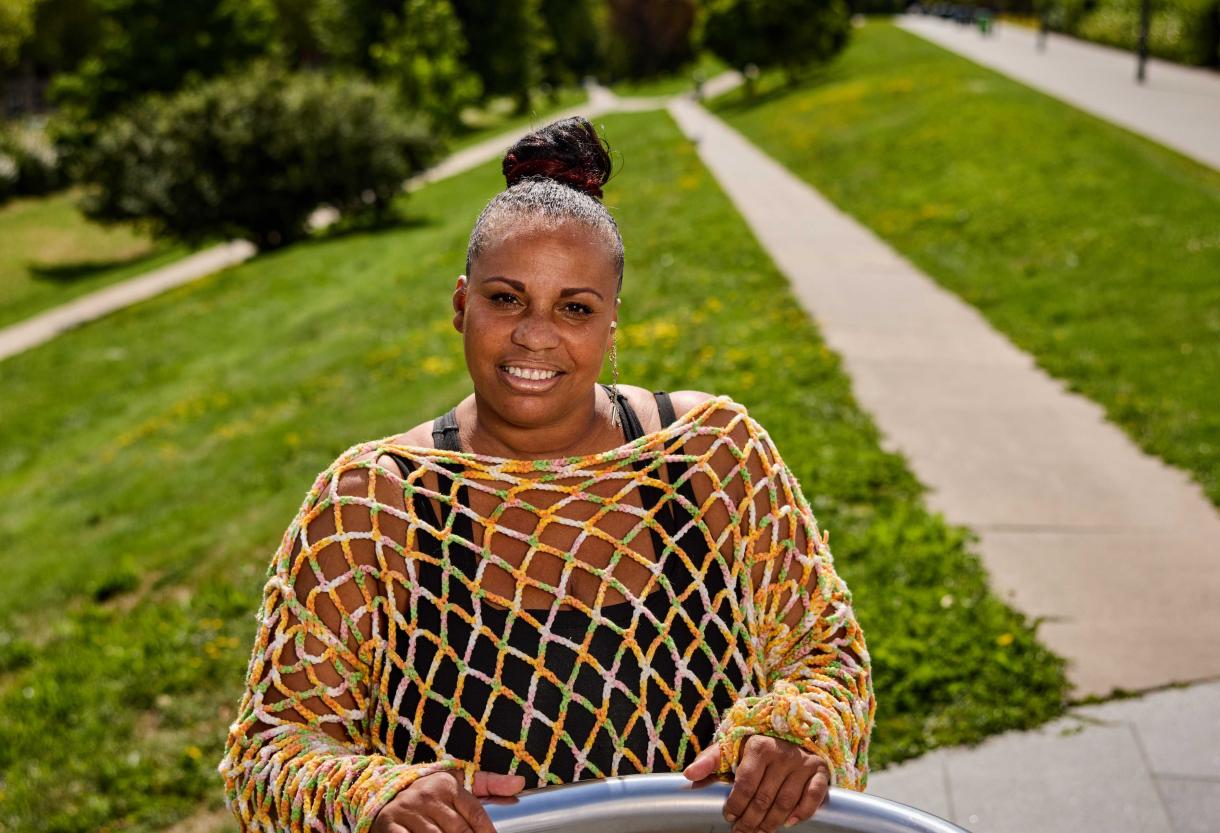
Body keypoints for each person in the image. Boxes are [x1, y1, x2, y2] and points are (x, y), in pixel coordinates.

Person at [218, 116, 874, 833]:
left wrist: (794, 733)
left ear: (611, 322)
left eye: (575, 307)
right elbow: (271, 748)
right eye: (506, 299)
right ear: (462, 303)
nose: (536, 333)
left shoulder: (712, 455)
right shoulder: (371, 503)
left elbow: (826, 655)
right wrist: (371, 792)